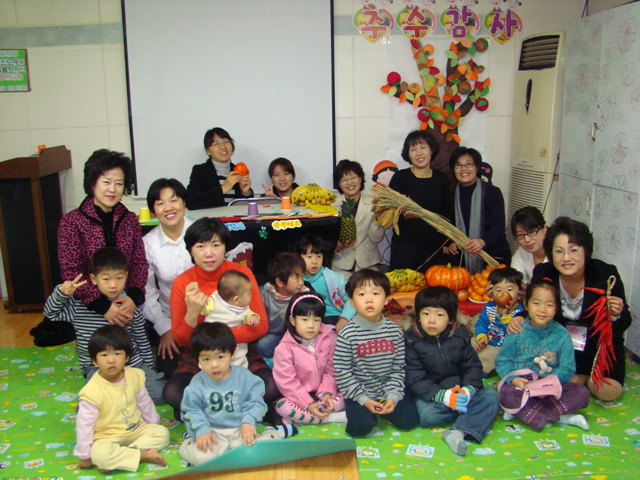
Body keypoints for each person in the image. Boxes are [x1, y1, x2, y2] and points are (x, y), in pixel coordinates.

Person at [164, 218, 272, 419]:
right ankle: (235, 411)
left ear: (225, 248)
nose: (209, 253)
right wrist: (192, 313)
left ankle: (211, 412)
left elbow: (261, 326)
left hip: (237, 351)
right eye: (200, 246)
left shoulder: (241, 274)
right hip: (200, 354)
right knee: (174, 393)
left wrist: (218, 339)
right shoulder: (183, 282)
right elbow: (181, 339)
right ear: (191, 250)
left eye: (215, 245)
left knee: (271, 387)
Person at [524, 217, 631, 401]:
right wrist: (520, 317)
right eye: (559, 251)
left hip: (597, 346)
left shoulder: (605, 274)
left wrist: (616, 314)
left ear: (585, 251)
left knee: (608, 392)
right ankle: (579, 376)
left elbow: (625, 320)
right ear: (551, 253)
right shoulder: (543, 273)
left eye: (573, 250)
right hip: (559, 344)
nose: (566, 258)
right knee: (552, 382)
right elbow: (533, 309)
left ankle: (584, 376)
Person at [44, 247, 164, 404]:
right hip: (97, 368)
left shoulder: (128, 304)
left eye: (119, 278)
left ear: (126, 276)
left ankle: (120, 397)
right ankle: (119, 398)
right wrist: (61, 293)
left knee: (159, 395)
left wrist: (148, 367)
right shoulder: (80, 304)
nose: (113, 285)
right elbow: (51, 313)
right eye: (106, 279)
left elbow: (140, 336)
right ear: (94, 279)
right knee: (89, 404)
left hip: (131, 365)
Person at [179, 322, 297, 466]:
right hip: (212, 432)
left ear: (233, 353)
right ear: (198, 359)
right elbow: (191, 410)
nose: (214, 365)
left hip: (240, 429)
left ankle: (272, 432)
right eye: (206, 359)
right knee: (202, 459)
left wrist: (248, 421)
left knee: (259, 454)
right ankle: (191, 439)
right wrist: (201, 430)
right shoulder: (197, 384)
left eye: (220, 357)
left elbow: (256, 402)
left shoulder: (245, 377)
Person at [404, 286, 500, 456]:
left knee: (491, 397)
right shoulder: (412, 340)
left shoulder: (460, 335)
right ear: (418, 316)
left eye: (439, 315)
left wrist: (468, 390)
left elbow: (472, 366)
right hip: (433, 395)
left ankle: (456, 432)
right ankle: (469, 415)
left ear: (450, 319)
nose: (431, 320)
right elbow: (415, 378)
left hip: (459, 388)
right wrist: (444, 397)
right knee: (427, 416)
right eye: (426, 314)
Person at [57, 149, 148, 327]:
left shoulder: (130, 220)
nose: (112, 189)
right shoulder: (71, 221)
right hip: (88, 308)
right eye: (106, 182)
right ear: (92, 183)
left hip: (126, 304)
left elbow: (139, 263)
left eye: (119, 183)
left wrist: (134, 297)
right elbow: (71, 271)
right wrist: (103, 306)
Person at [496, 279, 591, 432]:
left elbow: (567, 368)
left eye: (549, 305)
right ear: (526, 304)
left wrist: (549, 382)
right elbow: (503, 361)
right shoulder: (517, 328)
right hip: (522, 386)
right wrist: (514, 379)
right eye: (536, 303)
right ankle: (560, 417)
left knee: (582, 393)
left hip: (550, 387)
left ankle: (525, 413)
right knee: (505, 394)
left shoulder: (561, 334)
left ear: (556, 308)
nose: (542, 309)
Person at [333, 269, 419, 437]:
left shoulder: (394, 331)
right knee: (360, 428)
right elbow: (342, 373)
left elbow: (398, 368)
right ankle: (358, 414)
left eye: (375, 293)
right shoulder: (347, 334)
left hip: (387, 390)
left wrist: (393, 397)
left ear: (386, 299)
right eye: (362, 294)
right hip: (359, 393)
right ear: (352, 301)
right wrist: (364, 400)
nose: (369, 299)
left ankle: (384, 408)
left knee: (410, 420)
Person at [74, 325, 169, 472]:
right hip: (107, 436)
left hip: (136, 429)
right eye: (104, 355)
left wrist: (153, 423)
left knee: (162, 433)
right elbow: (84, 424)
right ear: (94, 361)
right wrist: (84, 455)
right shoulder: (91, 391)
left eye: (117, 354)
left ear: (127, 357)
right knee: (100, 454)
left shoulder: (135, 375)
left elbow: (144, 401)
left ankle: (124, 456)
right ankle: (142, 455)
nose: (111, 360)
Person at [143, 178, 193, 378]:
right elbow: (147, 292)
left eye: (173, 200)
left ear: (184, 202)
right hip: (171, 320)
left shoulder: (202, 233)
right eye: (160, 203)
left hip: (208, 318)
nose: (168, 208)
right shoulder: (148, 243)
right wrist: (164, 328)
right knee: (171, 372)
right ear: (153, 210)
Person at [273, 292, 347, 425]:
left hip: (324, 394)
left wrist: (327, 394)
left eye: (316, 320)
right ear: (293, 320)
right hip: (299, 397)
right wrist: (308, 404)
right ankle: (329, 418)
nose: (311, 325)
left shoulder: (330, 338)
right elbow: (287, 382)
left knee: (348, 393)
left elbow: (332, 369)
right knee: (282, 406)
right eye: (305, 319)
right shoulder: (284, 348)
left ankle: (306, 418)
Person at [388, 130, 451, 272]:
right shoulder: (400, 178)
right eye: (413, 149)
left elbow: (447, 213)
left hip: (434, 247)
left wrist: (446, 242)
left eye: (423, 147)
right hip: (405, 247)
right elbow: (389, 211)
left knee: (433, 284)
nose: (419, 153)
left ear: (431, 150)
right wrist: (403, 214)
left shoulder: (441, 179)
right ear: (408, 154)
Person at [444, 147, 511, 274]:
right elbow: (449, 225)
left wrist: (482, 242)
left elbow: (499, 226)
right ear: (453, 169)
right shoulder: (450, 196)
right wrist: (452, 242)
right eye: (459, 165)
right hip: (462, 260)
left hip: (492, 257)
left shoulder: (493, 192)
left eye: (468, 164)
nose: (463, 169)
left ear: (477, 167)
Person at [332, 159, 385, 280]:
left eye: (353, 177)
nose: (349, 182)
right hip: (339, 266)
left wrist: (378, 218)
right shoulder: (332, 206)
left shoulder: (374, 204)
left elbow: (376, 238)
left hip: (368, 265)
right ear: (338, 183)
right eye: (344, 179)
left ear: (360, 178)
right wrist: (337, 247)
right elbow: (326, 239)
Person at [293, 234, 356, 329]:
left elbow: (351, 298)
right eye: (309, 257)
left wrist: (344, 318)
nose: (315, 261)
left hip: (337, 318)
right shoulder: (295, 280)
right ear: (298, 257)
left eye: (319, 256)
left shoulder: (334, 277)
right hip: (311, 322)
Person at [202, 270, 260, 367]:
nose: (251, 295)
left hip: (235, 344)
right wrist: (195, 298)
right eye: (248, 294)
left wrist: (253, 317)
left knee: (238, 360)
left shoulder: (242, 307)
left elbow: (248, 313)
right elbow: (202, 309)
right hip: (213, 342)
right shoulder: (213, 302)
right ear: (236, 299)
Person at [473, 267, 525, 375]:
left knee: (489, 357)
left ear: (519, 293)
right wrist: (482, 336)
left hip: (502, 348)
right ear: (491, 292)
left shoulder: (519, 312)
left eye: (509, 290)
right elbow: (482, 323)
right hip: (488, 341)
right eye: (498, 290)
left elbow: (514, 335)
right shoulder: (490, 306)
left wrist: (505, 315)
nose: (504, 293)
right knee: (468, 343)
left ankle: (476, 370)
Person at [186, 127, 253, 209]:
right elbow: (191, 201)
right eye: (216, 143)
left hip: (235, 217)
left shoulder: (238, 170)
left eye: (225, 141)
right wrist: (223, 189)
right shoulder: (200, 171)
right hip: (211, 217)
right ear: (207, 150)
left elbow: (247, 208)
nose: (223, 147)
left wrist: (245, 192)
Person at [257, 252, 308, 359]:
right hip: (275, 335)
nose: (301, 282)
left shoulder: (304, 294)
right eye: (297, 278)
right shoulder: (264, 293)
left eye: (302, 277)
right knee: (262, 345)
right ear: (280, 282)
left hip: (295, 334)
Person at [510, 206, 548, 285]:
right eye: (520, 235)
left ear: (544, 228)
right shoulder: (522, 252)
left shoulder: (559, 251)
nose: (527, 240)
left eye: (531, 232)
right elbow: (516, 283)